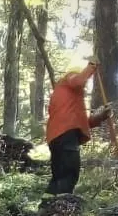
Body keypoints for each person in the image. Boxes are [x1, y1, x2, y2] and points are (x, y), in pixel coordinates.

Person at [45, 58, 113, 195]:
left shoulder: (66, 96)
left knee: (58, 176)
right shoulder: (70, 79)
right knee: (70, 173)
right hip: (66, 136)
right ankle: (61, 207)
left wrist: (100, 117)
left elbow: (77, 122)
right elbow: (78, 81)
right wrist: (92, 67)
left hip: (56, 138)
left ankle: (46, 207)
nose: (85, 86)